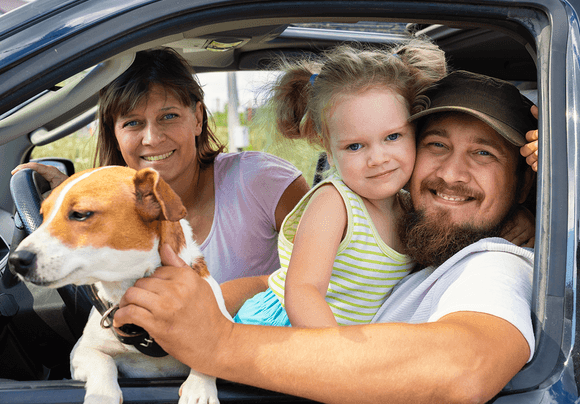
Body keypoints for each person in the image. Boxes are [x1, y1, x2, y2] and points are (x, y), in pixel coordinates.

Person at [114, 69, 539, 404]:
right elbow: (287, 283)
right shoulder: (419, 231)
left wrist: (219, 342)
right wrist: (205, 305)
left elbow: (465, 370)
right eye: (436, 145)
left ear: (524, 184)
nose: (449, 174)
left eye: (484, 153)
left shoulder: (494, 262)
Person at [12, 48, 309, 284]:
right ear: (114, 135)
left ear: (197, 118)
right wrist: (70, 204)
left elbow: (339, 277)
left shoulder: (263, 181)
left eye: (169, 116)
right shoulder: (113, 212)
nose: (152, 139)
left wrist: (219, 299)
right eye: (133, 123)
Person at [235, 39, 446, 327]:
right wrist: (342, 361)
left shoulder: (408, 204)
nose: (377, 158)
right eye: (355, 146)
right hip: (287, 334)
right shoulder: (335, 204)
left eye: (393, 137)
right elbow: (303, 292)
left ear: (416, 131)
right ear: (329, 150)